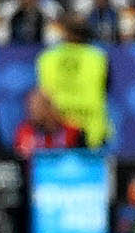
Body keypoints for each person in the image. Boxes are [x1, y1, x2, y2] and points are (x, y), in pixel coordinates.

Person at [38, 15, 110, 146]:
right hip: (92, 130)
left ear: (64, 32)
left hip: (58, 130)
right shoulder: (98, 57)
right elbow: (107, 88)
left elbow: (42, 96)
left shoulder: (47, 57)